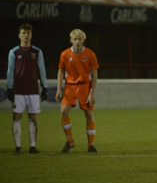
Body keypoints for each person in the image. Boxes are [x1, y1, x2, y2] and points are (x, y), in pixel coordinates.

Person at [55, 29, 99, 153]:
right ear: (71, 40)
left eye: (80, 39)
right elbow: (61, 71)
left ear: (83, 40)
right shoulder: (64, 54)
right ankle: (70, 142)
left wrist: (91, 93)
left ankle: (91, 146)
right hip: (70, 86)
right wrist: (59, 89)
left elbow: (95, 74)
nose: (77, 41)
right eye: (75, 39)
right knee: (63, 111)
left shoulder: (90, 54)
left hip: (85, 85)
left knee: (89, 115)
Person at [6, 23, 48, 154]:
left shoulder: (37, 51)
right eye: (23, 33)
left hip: (33, 90)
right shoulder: (13, 52)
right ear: (19, 35)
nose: (26, 35)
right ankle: (18, 147)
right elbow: (10, 71)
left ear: (31, 35)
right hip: (18, 90)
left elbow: (42, 70)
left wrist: (44, 87)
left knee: (33, 118)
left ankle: (33, 147)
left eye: (28, 33)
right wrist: (9, 88)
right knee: (17, 116)